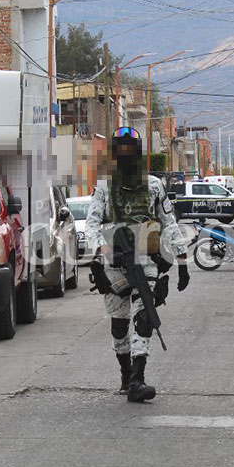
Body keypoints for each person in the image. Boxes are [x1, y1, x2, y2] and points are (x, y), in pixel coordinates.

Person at [85, 127, 190, 403]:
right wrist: (105, 248)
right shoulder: (105, 186)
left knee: (144, 317)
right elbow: (92, 224)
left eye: (131, 148)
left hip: (146, 262)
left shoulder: (154, 185)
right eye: (122, 148)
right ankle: (125, 373)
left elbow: (169, 223)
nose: (127, 153)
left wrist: (182, 260)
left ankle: (137, 380)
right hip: (115, 264)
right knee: (119, 325)